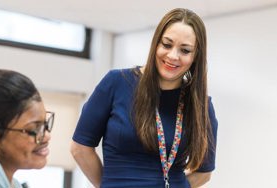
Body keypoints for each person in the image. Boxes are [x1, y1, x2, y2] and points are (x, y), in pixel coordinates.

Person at [70, 8, 218, 188]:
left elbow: (204, 173)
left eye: (185, 50)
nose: (173, 56)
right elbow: (80, 148)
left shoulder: (201, 106)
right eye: (167, 45)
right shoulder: (116, 83)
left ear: (196, 57)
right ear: (156, 43)